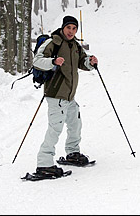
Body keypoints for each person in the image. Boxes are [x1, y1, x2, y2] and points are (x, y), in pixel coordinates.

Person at [32, 15, 98, 178]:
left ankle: (73, 153)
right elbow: (37, 61)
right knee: (55, 128)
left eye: (74, 28)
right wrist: (53, 62)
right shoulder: (53, 42)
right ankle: (44, 163)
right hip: (56, 94)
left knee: (75, 125)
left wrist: (91, 62)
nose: (71, 31)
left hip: (70, 96)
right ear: (63, 27)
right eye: (69, 28)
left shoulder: (75, 45)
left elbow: (83, 63)